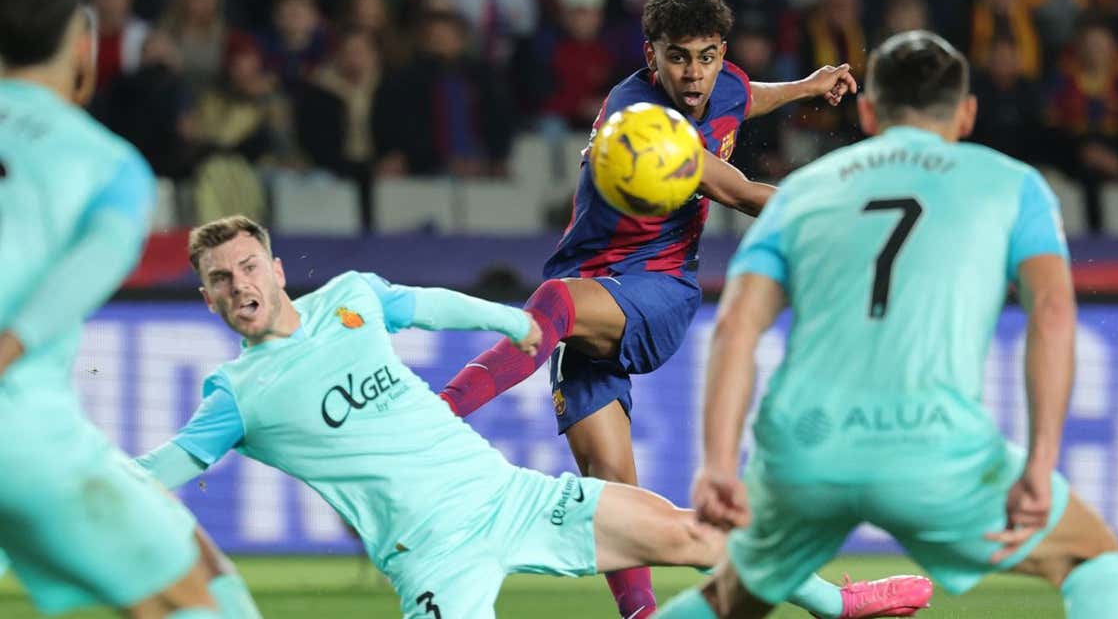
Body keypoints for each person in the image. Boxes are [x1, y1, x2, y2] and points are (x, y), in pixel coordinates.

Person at [437, 0, 929, 619]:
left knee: (554, 302)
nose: (693, 74)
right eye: (677, 57)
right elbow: (748, 195)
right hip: (594, 293)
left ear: (722, 52)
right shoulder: (636, 116)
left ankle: (438, 412)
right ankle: (824, 604)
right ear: (651, 56)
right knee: (613, 497)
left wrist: (808, 85)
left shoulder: (723, 83)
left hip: (656, 291)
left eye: (706, 56)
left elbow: (746, 99)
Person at [657, 30, 1118, 619]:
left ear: (867, 111)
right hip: (935, 446)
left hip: (807, 447)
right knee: (1091, 559)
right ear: (966, 114)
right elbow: (1052, 313)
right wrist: (1040, 463)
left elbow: (735, 327)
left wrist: (716, 462)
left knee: (730, 598)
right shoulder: (1013, 185)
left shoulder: (803, 192)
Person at [134, 215, 727, 619]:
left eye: (249, 266)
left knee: (689, 534)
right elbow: (157, 472)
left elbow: (428, 306)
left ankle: (826, 602)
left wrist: (510, 321)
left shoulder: (350, 296)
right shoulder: (236, 396)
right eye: (221, 279)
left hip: (509, 497)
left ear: (277, 270)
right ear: (208, 299)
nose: (240, 285)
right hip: (433, 559)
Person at [0, 0, 257, 617]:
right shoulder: (107, 166)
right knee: (204, 597)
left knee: (193, 556)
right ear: (84, 47)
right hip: (25, 437)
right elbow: (74, 283)